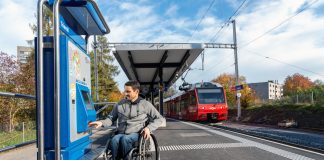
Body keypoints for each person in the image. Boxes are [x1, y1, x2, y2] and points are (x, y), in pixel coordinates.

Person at [88, 80, 164, 160]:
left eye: (128, 91)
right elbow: (110, 119)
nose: (125, 94)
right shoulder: (120, 104)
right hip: (121, 133)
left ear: (136, 91)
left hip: (137, 133)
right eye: (125, 91)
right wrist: (101, 122)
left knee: (125, 139)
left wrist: (148, 128)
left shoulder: (145, 104)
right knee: (115, 139)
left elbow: (159, 118)